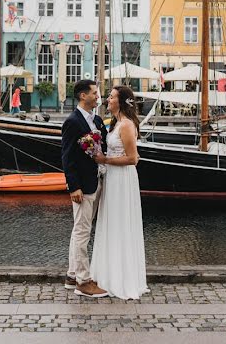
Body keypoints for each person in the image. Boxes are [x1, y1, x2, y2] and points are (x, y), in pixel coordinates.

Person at [91, 84, 149, 300]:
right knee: (111, 224)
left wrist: (105, 160)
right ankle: (108, 274)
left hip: (123, 178)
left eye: (112, 97)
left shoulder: (125, 125)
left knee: (121, 224)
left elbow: (133, 159)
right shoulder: (115, 124)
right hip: (112, 178)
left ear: (121, 101)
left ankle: (122, 279)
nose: (108, 99)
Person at [60, 79, 108, 298]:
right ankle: (83, 281)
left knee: (79, 229)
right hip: (82, 186)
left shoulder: (97, 120)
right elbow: (67, 156)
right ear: (83, 96)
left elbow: (102, 147)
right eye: (94, 93)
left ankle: (72, 275)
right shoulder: (72, 121)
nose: (98, 96)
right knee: (82, 232)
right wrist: (73, 186)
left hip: (96, 180)